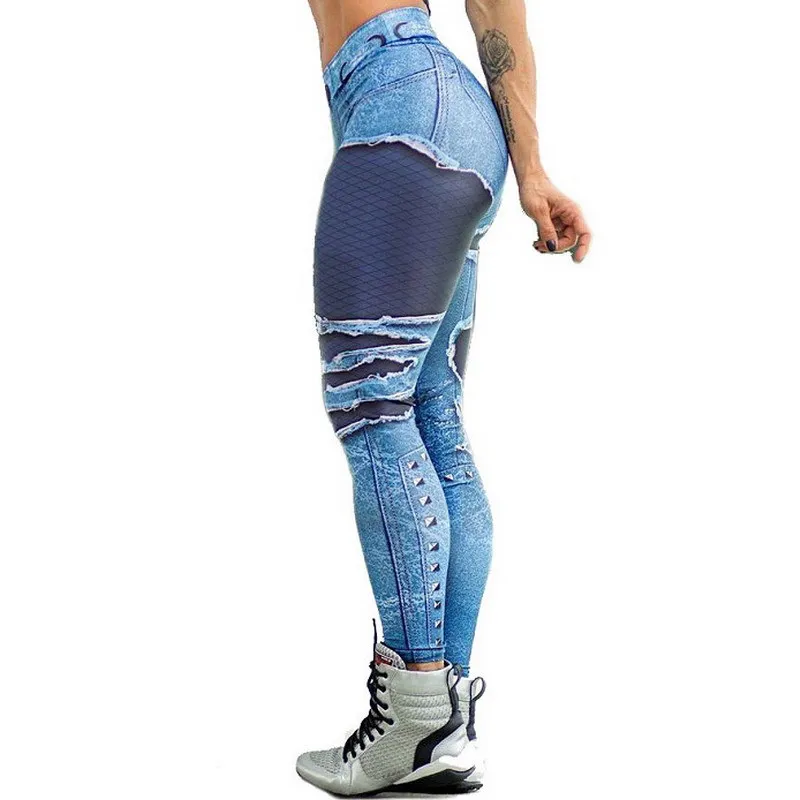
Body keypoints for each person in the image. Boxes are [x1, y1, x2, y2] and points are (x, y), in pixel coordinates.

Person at [297, 1, 591, 794]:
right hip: (438, 119)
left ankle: (416, 716)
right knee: (430, 418)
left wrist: (536, 171)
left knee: (372, 408)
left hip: (402, 104)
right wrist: (526, 168)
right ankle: (445, 726)